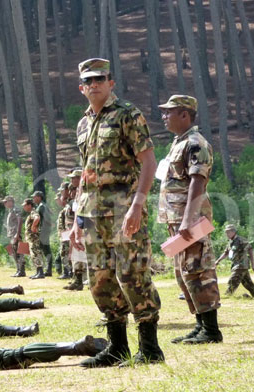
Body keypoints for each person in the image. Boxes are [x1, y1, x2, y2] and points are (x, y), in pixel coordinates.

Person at [69, 58, 164, 367]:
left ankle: (149, 349)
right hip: (92, 216)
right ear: (82, 87)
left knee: (133, 276)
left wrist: (138, 204)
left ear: (111, 83)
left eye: (100, 78)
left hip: (125, 211)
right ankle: (117, 348)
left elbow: (148, 162)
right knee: (101, 281)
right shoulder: (83, 124)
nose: (94, 84)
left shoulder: (127, 115)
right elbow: (85, 172)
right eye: (89, 80)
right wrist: (76, 220)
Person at [157, 94, 222, 345]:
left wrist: (188, 219)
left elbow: (198, 181)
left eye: (168, 112)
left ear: (185, 114)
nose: (164, 116)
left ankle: (211, 330)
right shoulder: (180, 142)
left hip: (190, 220)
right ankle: (200, 325)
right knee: (184, 273)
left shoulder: (195, 143)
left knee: (198, 271)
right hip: (178, 220)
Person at [215, 224, 254, 298]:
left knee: (233, 280)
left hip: (241, 265)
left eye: (228, 232)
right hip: (236, 265)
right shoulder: (230, 242)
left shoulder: (241, 240)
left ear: (233, 232)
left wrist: (253, 264)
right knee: (247, 283)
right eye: (226, 232)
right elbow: (226, 253)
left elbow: (250, 249)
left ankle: (227, 295)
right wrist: (218, 261)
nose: (226, 234)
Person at [64, 170, 86, 291]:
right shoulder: (77, 192)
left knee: (82, 253)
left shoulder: (85, 191)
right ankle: (77, 280)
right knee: (77, 255)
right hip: (78, 226)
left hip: (84, 227)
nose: (72, 180)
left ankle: (81, 280)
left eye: (74, 178)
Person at [0, 195, 26, 278]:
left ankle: (21, 271)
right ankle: (18, 270)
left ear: (11, 202)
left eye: (6, 202)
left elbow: (20, 221)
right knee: (14, 253)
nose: (4, 204)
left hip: (15, 235)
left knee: (19, 253)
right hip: (12, 234)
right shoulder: (11, 211)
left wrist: (17, 234)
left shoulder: (15, 209)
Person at [32, 191, 53, 276]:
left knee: (42, 250)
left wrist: (42, 229)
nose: (33, 198)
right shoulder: (42, 206)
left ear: (39, 197)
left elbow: (47, 219)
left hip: (43, 231)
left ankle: (46, 270)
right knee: (45, 250)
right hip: (44, 230)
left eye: (35, 197)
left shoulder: (42, 206)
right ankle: (47, 270)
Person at [22, 198, 45, 279]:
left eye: (25, 205)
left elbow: (37, 218)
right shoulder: (31, 213)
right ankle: (38, 272)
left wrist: (33, 226)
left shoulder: (33, 212)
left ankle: (40, 272)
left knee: (36, 253)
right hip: (31, 238)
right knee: (34, 254)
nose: (23, 207)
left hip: (33, 238)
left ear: (29, 205)